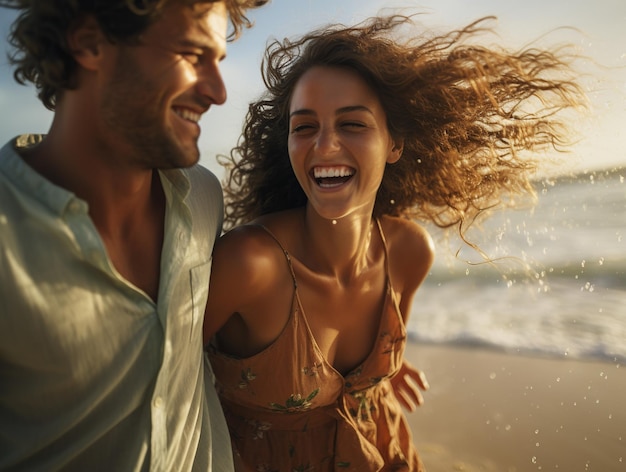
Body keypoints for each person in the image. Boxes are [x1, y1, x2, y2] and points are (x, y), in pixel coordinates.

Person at [202, 13, 586, 472]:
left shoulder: (408, 253)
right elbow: (160, 388)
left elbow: (372, 355)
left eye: (352, 125)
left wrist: (385, 367)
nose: (323, 147)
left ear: (395, 143)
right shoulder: (248, 265)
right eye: (304, 127)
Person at [0, 0, 267, 470]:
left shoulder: (203, 197)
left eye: (219, 61)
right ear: (89, 42)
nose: (218, 92)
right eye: (191, 54)